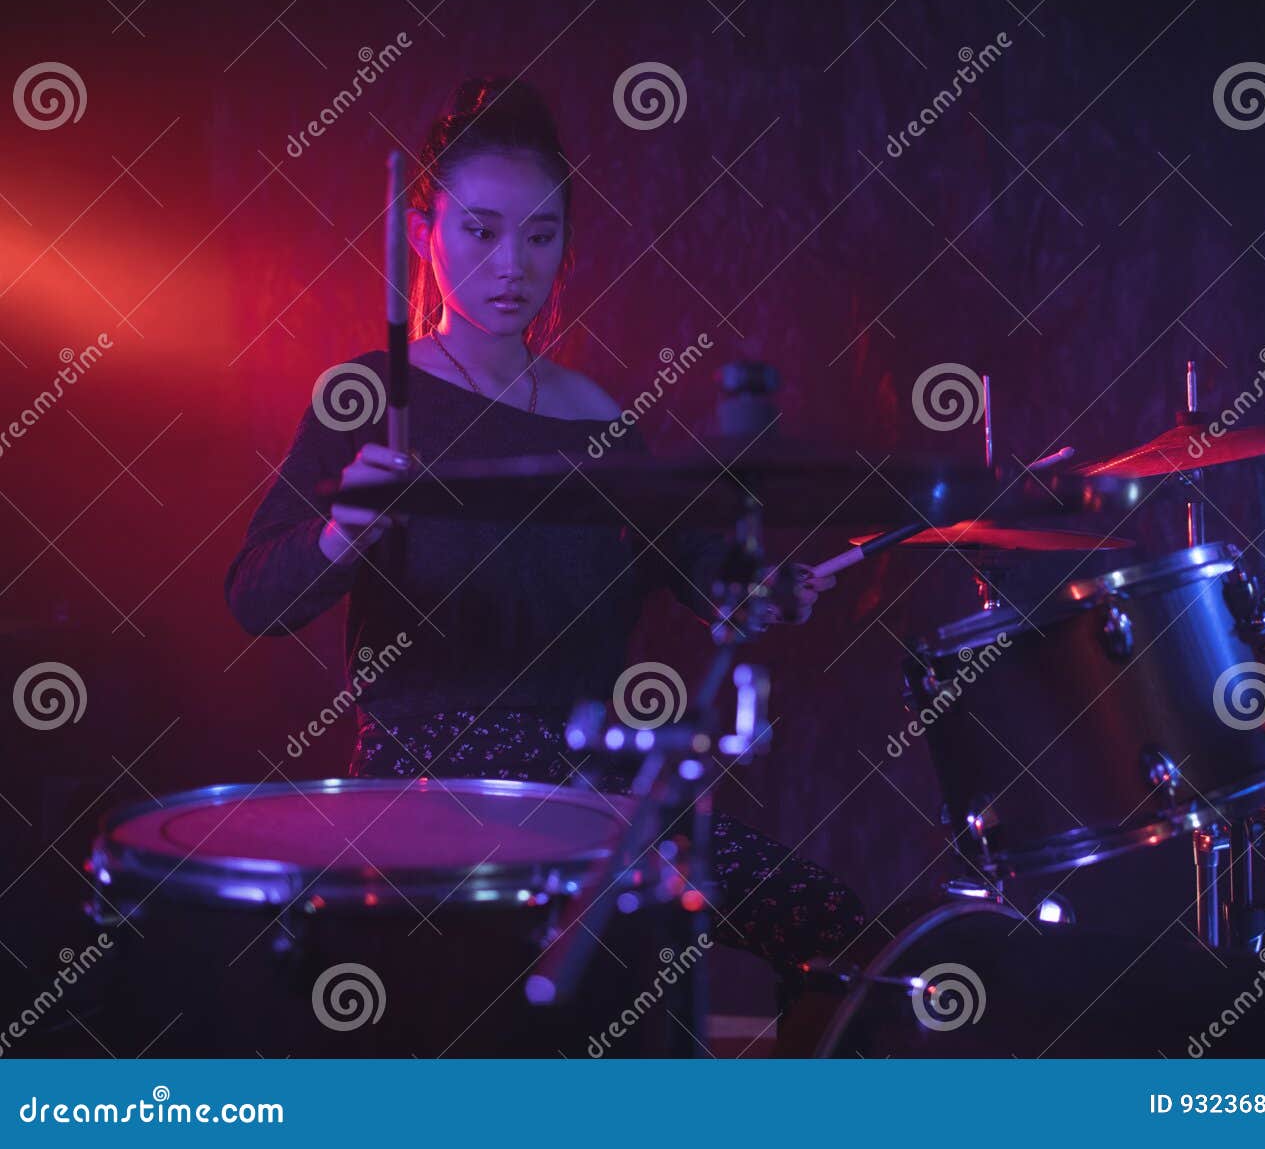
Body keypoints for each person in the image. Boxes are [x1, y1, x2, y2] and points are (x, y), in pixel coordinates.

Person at [223, 74, 866, 1016]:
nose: (510, 263)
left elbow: (695, 577)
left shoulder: (599, 415)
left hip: (593, 783)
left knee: (830, 922)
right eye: (479, 230)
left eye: (541, 233)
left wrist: (763, 591)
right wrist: (337, 538)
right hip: (427, 775)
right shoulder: (369, 393)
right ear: (422, 235)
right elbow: (251, 597)